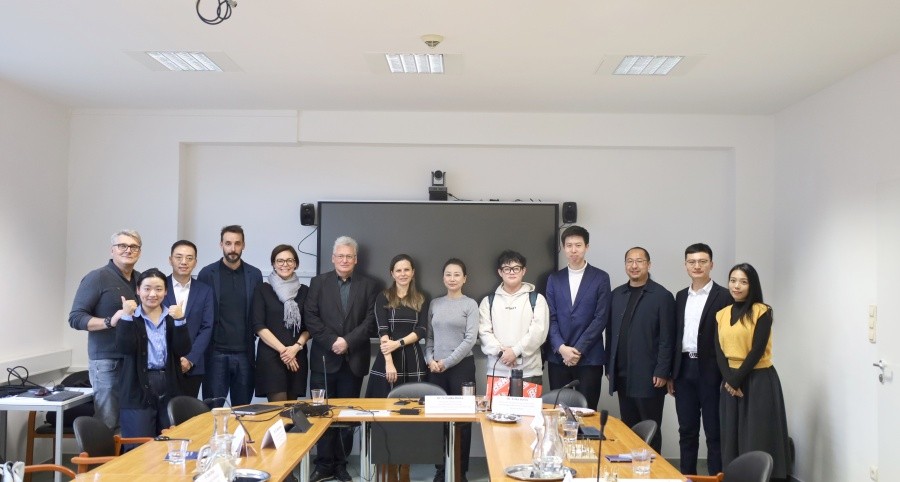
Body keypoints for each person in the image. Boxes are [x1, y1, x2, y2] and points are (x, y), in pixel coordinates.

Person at [305, 236, 379, 482]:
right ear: (333, 258)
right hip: (324, 360)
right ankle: (323, 464)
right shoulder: (318, 283)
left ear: (355, 259)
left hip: (353, 360)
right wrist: (332, 341)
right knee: (321, 414)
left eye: (349, 256)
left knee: (347, 417)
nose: (344, 260)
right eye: (340, 256)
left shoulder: (369, 286)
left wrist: (347, 341)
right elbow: (311, 317)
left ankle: (341, 464)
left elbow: (371, 321)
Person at [716, 263, 791, 481]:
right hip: (729, 381)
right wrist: (730, 380)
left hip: (758, 379)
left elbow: (757, 350)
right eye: (733, 281)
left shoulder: (762, 311)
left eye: (743, 281)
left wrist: (736, 380)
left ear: (752, 285)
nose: (736, 286)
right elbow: (718, 351)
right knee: (730, 435)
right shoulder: (721, 314)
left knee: (756, 435)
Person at [68, 229, 143, 430]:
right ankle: (103, 454)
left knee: (131, 423)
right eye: (122, 246)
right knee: (108, 422)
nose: (128, 250)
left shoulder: (140, 280)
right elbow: (76, 318)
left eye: (133, 247)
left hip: (134, 361)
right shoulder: (97, 277)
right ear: (112, 250)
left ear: (139, 251)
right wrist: (111, 321)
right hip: (107, 362)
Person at [668, 243, 732, 475]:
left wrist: (728, 375)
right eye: (692, 262)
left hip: (712, 371)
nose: (697, 266)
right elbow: (675, 336)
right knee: (687, 430)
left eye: (702, 261)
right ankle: (688, 476)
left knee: (715, 432)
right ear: (685, 265)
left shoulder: (724, 296)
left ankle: (716, 477)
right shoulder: (680, 296)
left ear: (711, 265)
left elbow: (728, 338)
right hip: (684, 369)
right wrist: (671, 373)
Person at [606, 246, 675, 452]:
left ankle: (653, 469)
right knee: (628, 428)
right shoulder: (617, 294)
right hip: (622, 374)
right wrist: (609, 367)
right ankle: (631, 468)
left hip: (649, 376)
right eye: (629, 261)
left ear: (648, 265)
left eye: (639, 261)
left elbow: (668, 338)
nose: (634, 266)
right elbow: (610, 333)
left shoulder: (662, 295)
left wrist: (662, 370)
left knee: (650, 428)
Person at [116, 268, 191, 438]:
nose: (152, 294)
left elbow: (183, 349)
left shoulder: (172, 317)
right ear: (138, 290)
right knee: (139, 445)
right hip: (137, 388)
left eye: (158, 289)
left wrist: (180, 320)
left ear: (166, 292)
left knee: (171, 442)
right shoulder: (130, 318)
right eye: (147, 288)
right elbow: (124, 349)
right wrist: (126, 316)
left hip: (169, 384)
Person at [546, 225, 611, 410]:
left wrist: (578, 350)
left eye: (578, 245)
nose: (573, 250)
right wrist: (561, 348)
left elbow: (601, 317)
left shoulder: (601, 278)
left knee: (587, 412)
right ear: (563, 248)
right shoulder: (554, 279)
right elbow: (550, 317)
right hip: (559, 358)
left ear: (586, 247)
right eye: (569, 245)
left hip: (589, 357)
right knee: (558, 412)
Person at [197, 225, 263, 407]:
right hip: (215, 354)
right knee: (213, 411)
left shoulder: (254, 275)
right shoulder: (207, 274)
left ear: (243, 245)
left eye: (237, 243)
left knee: (242, 410)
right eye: (228, 243)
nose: (232, 249)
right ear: (221, 245)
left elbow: (258, 311)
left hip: (245, 354)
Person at [426, 258, 479, 482]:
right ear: (443, 278)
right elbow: (429, 337)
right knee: (437, 420)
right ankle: (441, 470)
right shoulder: (435, 304)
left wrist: (446, 362)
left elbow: (470, 340)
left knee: (463, 421)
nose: (452, 278)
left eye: (457, 274)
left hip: (461, 368)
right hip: (435, 368)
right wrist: (430, 359)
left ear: (464, 278)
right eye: (448, 274)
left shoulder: (470, 304)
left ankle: (459, 471)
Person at [478, 250, 550, 390]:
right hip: (497, 372)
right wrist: (503, 354)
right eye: (507, 268)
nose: (512, 272)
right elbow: (484, 333)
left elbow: (538, 332)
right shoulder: (488, 302)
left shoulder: (537, 300)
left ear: (523, 271)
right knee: (496, 406)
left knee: (529, 406)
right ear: (500, 272)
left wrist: (515, 352)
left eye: (516, 268)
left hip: (529, 372)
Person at [252, 244, 310, 402]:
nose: (285, 264)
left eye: (289, 260)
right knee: (278, 409)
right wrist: (285, 352)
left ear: (295, 263)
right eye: (280, 261)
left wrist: (295, 348)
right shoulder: (262, 289)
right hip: (271, 357)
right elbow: (258, 325)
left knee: (292, 410)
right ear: (273, 264)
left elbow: (309, 327)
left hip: (297, 355)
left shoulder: (305, 291)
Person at [366, 254, 427, 397]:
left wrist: (398, 343)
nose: (403, 274)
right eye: (398, 270)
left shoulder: (421, 298)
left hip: (413, 358)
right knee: (384, 404)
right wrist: (389, 363)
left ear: (413, 272)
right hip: (388, 356)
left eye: (406, 270)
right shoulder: (383, 297)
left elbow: (421, 330)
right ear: (392, 274)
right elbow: (383, 331)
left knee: (415, 404)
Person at [164, 240, 214, 398]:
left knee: (189, 410)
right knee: (162, 412)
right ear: (170, 260)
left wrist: (190, 359)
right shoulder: (158, 287)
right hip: (162, 365)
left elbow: (207, 327)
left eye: (189, 258)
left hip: (192, 366)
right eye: (178, 257)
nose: (184, 262)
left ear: (195, 262)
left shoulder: (205, 290)